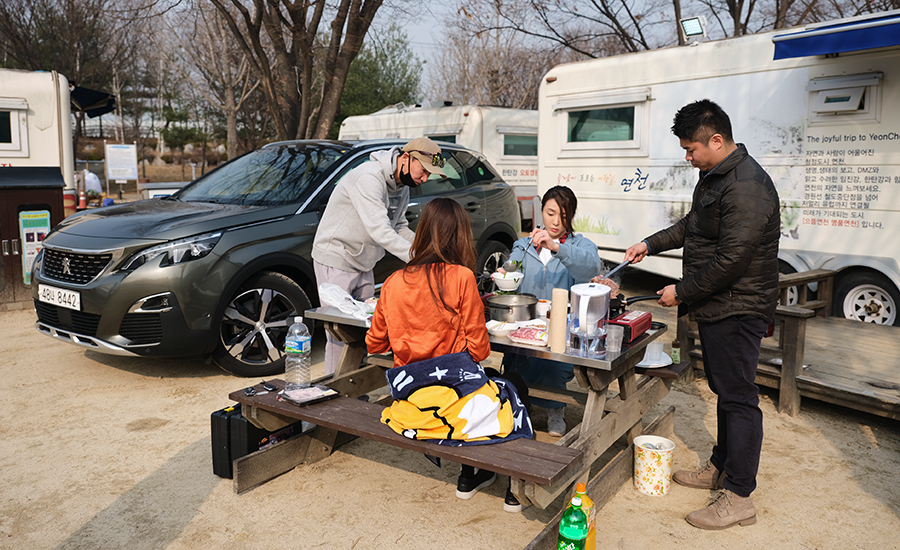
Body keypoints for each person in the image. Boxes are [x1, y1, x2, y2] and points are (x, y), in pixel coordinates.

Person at [624, 99, 780, 530]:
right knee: (725, 390)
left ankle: (739, 496)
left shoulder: (747, 185)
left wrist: (681, 291)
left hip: (739, 305)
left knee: (739, 398)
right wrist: (649, 244)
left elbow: (732, 259)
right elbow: (692, 226)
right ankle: (721, 467)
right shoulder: (715, 177)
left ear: (716, 139)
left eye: (691, 149)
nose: (688, 157)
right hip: (719, 305)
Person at [367, 198, 532, 513]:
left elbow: (375, 345)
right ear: (460, 236)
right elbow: (481, 351)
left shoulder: (392, 282)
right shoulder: (461, 277)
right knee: (512, 385)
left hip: (411, 403)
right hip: (451, 401)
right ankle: (513, 487)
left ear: (422, 233)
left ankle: (470, 476)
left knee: (495, 387)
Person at [313, 137, 447, 375]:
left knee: (365, 327)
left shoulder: (401, 187)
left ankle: (353, 386)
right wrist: (418, 261)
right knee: (339, 332)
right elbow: (380, 230)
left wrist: (428, 250)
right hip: (337, 258)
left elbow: (399, 226)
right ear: (407, 158)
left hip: (364, 262)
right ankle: (333, 395)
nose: (425, 179)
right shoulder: (369, 178)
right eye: (424, 171)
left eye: (429, 174)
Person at [498, 186, 618, 436]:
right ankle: (522, 405)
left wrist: (556, 247)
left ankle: (555, 409)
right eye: (550, 213)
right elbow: (513, 266)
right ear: (541, 211)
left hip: (561, 324)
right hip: (526, 322)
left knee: (554, 367)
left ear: (571, 216)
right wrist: (504, 273)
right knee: (518, 362)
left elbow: (590, 267)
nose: (555, 221)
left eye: (563, 215)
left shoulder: (581, 245)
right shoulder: (524, 243)